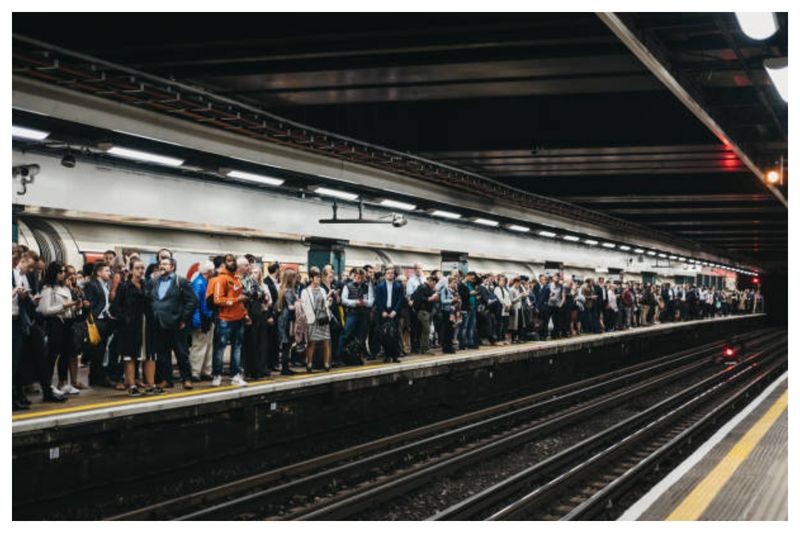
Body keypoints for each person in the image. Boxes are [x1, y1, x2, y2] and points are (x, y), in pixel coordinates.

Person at [146, 257, 197, 390]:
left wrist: (184, 319)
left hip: (176, 324)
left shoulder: (181, 282)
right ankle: (166, 379)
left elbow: (192, 301)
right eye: (160, 264)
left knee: (181, 353)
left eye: (165, 264)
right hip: (158, 324)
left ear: (172, 267)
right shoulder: (153, 282)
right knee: (162, 354)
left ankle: (187, 379)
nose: (162, 266)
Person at [37, 261, 82, 397]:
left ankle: (63, 383)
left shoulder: (65, 289)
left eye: (64, 272)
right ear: (54, 273)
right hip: (55, 322)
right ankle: (48, 384)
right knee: (53, 354)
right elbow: (44, 310)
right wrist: (64, 307)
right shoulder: (48, 289)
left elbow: (69, 307)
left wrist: (76, 307)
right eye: (60, 272)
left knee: (65, 353)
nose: (63, 274)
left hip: (67, 322)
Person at [111, 258, 150, 396]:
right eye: (138, 268)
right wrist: (124, 318)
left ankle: (136, 381)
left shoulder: (145, 285)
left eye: (142, 268)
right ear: (131, 270)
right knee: (129, 356)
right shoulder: (124, 286)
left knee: (139, 354)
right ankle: (131, 385)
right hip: (128, 326)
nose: (140, 271)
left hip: (142, 324)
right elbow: (115, 307)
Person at [210, 255, 250, 386]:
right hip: (224, 319)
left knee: (237, 348)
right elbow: (217, 300)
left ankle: (235, 375)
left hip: (238, 318)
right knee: (220, 348)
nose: (232, 263)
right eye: (229, 260)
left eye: (233, 260)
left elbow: (241, 301)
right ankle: (216, 375)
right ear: (224, 263)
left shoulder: (237, 280)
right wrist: (236, 300)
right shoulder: (220, 279)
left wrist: (245, 314)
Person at [82, 261, 117, 387]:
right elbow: (88, 303)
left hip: (105, 320)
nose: (109, 273)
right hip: (97, 320)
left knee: (101, 350)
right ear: (98, 272)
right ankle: (95, 377)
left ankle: (98, 377)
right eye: (107, 271)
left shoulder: (105, 284)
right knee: (96, 351)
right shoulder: (92, 285)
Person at [300, 267, 333, 372]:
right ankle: (309, 363)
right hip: (312, 319)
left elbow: (325, 304)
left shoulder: (322, 290)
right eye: (316, 278)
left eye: (319, 278)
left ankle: (326, 363)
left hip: (323, 318)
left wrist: (329, 302)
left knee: (326, 341)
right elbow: (303, 305)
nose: (318, 280)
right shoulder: (305, 291)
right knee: (311, 342)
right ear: (311, 279)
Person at [242, 264, 271, 379]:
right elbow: (249, 295)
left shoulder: (260, 285)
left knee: (260, 343)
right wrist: (259, 296)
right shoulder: (247, 282)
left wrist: (261, 296)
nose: (255, 274)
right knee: (251, 343)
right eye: (253, 272)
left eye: (257, 272)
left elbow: (265, 298)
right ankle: (250, 369)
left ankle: (259, 368)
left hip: (259, 314)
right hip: (251, 314)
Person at [339, 268, 374, 360]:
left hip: (363, 314)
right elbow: (344, 300)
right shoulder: (347, 286)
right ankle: (340, 354)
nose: (360, 280)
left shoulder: (367, 286)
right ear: (354, 276)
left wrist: (364, 302)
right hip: (352, 313)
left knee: (361, 336)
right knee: (346, 334)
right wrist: (355, 302)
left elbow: (371, 301)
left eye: (362, 278)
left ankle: (357, 355)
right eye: (359, 277)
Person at [189, 261, 215, 382]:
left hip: (207, 318)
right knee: (199, 346)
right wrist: (197, 322)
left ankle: (205, 371)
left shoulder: (202, 282)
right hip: (202, 319)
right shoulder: (199, 283)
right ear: (209, 272)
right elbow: (195, 305)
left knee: (207, 346)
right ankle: (195, 372)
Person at [374, 265, 404, 361]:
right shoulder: (380, 286)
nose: (390, 275)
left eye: (392, 273)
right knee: (384, 335)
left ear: (394, 275)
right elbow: (377, 300)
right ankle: (387, 356)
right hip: (383, 312)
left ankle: (395, 356)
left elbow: (400, 300)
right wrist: (382, 311)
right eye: (388, 273)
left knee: (394, 335)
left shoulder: (399, 286)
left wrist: (395, 311)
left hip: (394, 312)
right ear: (385, 275)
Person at [276, 269, 300, 375]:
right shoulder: (289, 291)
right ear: (291, 279)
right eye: (294, 278)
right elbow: (291, 306)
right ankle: (285, 368)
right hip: (288, 320)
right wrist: (298, 303)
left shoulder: (282, 289)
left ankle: (285, 367)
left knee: (285, 344)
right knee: (287, 344)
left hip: (282, 319)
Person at [411, 276, 439, 355]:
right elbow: (419, 298)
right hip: (423, 312)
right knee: (426, 330)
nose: (434, 285)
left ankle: (423, 348)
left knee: (424, 330)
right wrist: (431, 298)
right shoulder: (423, 288)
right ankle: (424, 348)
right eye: (433, 283)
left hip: (427, 312)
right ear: (429, 281)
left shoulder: (428, 288)